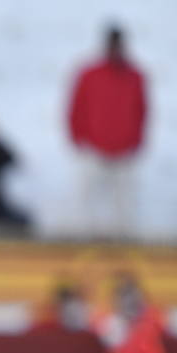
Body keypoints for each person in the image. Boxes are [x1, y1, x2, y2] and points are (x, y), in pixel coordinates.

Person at [67, 25, 146, 238]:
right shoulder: (89, 74)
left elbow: (142, 110)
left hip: (124, 149)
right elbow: (76, 106)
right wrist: (77, 137)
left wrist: (136, 140)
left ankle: (124, 245)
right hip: (94, 147)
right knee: (86, 199)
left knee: (125, 203)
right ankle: (83, 242)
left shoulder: (135, 76)